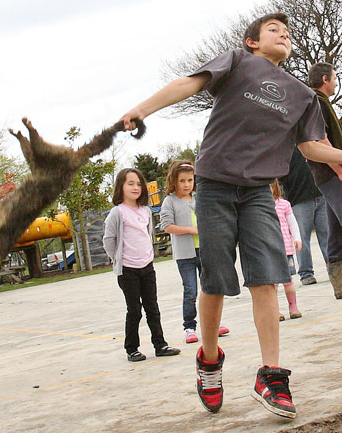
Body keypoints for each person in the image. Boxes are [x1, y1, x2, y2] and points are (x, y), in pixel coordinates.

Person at [120, 13, 342, 418]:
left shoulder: (302, 95)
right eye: (274, 30)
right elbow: (190, 83)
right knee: (217, 280)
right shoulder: (237, 62)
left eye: (287, 33)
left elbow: (311, 147)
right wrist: (143, 109)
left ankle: (271, 375)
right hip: (215, 186)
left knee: (268, 279)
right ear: (252, 41)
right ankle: (208, 361)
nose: (283, 35)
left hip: (259, 190)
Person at [103, 168, 180, 362]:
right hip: (127, 270)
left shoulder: (145, 211)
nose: (135, 187)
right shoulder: (117, 213)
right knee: (134, 310)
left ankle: (160, 344)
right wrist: (116, 258)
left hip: (147, 266)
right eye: (130, 183)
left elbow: (145, 235)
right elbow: (109, 240)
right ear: (121, 187)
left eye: (138, 184)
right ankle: (132, 349)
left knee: (152, 307)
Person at [160, 160, 229, 343]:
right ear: (173, 181)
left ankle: (213, 324)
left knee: (211, 288)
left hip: (206, 251)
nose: (186, 184)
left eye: (190, 180)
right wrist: (192, 230)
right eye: (182, 181)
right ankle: (189, 328)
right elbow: (167, 226)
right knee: (191, 291)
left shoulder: (199, 198)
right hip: (185, 255)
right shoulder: (170, 201)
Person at [307, 62, 342, 300]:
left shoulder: (320, 102)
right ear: (324, 79)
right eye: (335, 77)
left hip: (328, 174)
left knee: (336, 232)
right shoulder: (317, 102)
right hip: (332, 172)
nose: (337, 81)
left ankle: (339, 283)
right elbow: (320, 139)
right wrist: (338, 168)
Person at [279, 146, 328, 285]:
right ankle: (306, 274)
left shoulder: (313, 144)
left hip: (321, 195)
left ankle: (334, 268)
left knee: (327, 236)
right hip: (299, 199)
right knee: (301, 240)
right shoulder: (286, 149)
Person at [270, 179, 302, 321]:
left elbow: (292, 223)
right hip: (269, 249)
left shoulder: (284, 205)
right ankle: (275, 310)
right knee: (273, 283)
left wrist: (297, 238)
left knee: (288, 280)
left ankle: (293, 305)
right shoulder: (260, 206)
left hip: (286, 249)